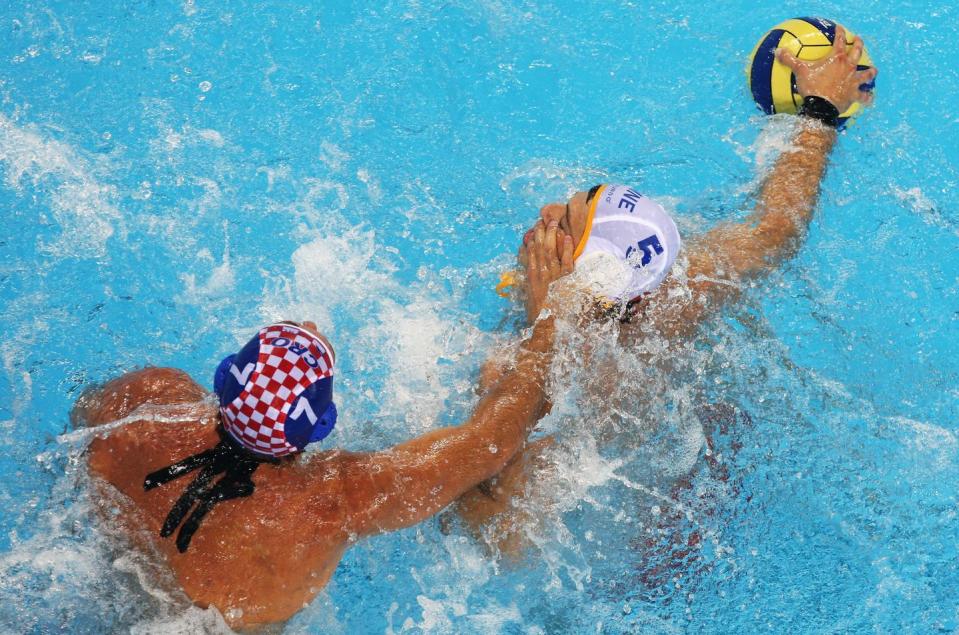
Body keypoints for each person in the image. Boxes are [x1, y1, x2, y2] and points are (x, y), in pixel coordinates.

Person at [455, 27, 878, 553]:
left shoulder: (554, 380)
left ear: (583, 280)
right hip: (702, 470)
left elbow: (492, 534)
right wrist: (818, 114)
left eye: (565, 226)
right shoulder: (678, 285)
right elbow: (776, 230)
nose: (546, 215)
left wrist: (534, 340)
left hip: (637, 553)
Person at [76, 226, 574, 629]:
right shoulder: (333, 502)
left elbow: (78, 421)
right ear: (320, 428)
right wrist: (548, 319)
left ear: (225, 376)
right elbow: (491, 442)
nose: (310, 324)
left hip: (112, 582)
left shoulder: (143, 400)